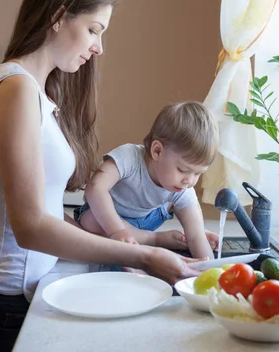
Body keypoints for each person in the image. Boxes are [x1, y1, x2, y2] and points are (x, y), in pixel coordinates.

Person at [0, 0, 202, 352]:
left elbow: (43, 210)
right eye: (94, 30)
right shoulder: (15, 90)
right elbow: (29, 227)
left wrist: (137, 240)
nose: (99, 48)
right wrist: (144, 255)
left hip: (16, 303)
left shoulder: (36, 93)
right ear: (59, 16)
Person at [75, 101, 219, 260]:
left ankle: (151, 237)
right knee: (90, 221)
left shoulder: (183, 187)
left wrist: (209, 269)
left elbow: (196, 238)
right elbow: (94, 188)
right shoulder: (129, 157)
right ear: (157, 151)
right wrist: (117, 231)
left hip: (147, 219)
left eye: (198, 174)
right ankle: (155, 239)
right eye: (183, 170)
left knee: (189, 216)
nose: (189, 181)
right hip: (110, 216)